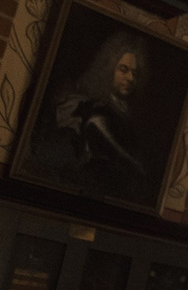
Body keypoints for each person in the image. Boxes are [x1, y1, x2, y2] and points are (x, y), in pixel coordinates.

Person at [40, 32, 149, 200]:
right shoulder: (92, 110)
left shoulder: (128, 113)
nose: (130, 78)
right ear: (108, 68)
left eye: (135, 73)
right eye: (123, 69)